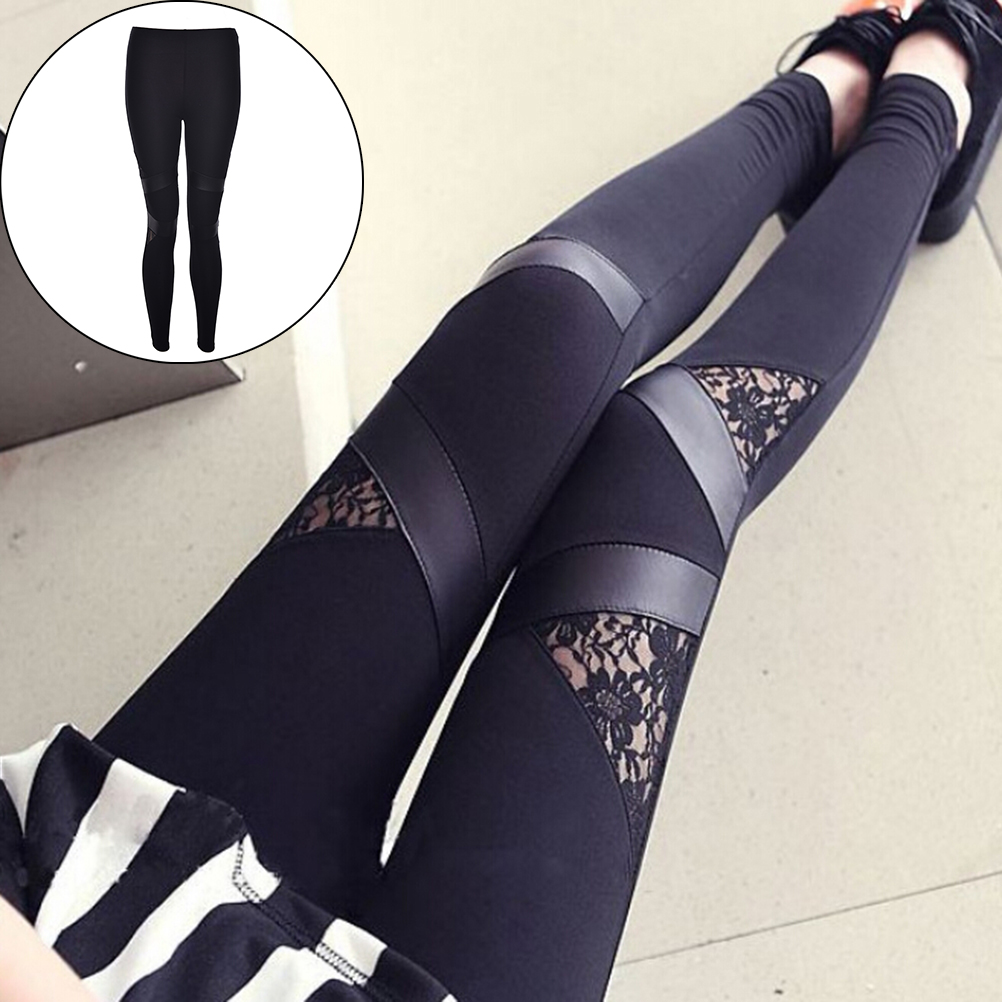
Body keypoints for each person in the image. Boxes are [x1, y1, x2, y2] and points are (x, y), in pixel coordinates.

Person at [2, 1, 999, 1000]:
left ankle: (825, 98)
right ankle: (932, 101)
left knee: (547, 314)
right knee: (668, 454)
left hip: (85, 884)